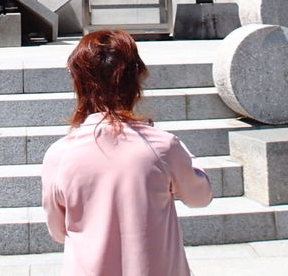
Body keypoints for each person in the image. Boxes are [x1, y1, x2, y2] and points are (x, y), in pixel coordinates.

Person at [41, 29, 214, 275]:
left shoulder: (59, 155)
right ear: (135, 79)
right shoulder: (161, 146)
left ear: (78, 83)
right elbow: (200, 197)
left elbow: (58, 231)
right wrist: (187, 158)